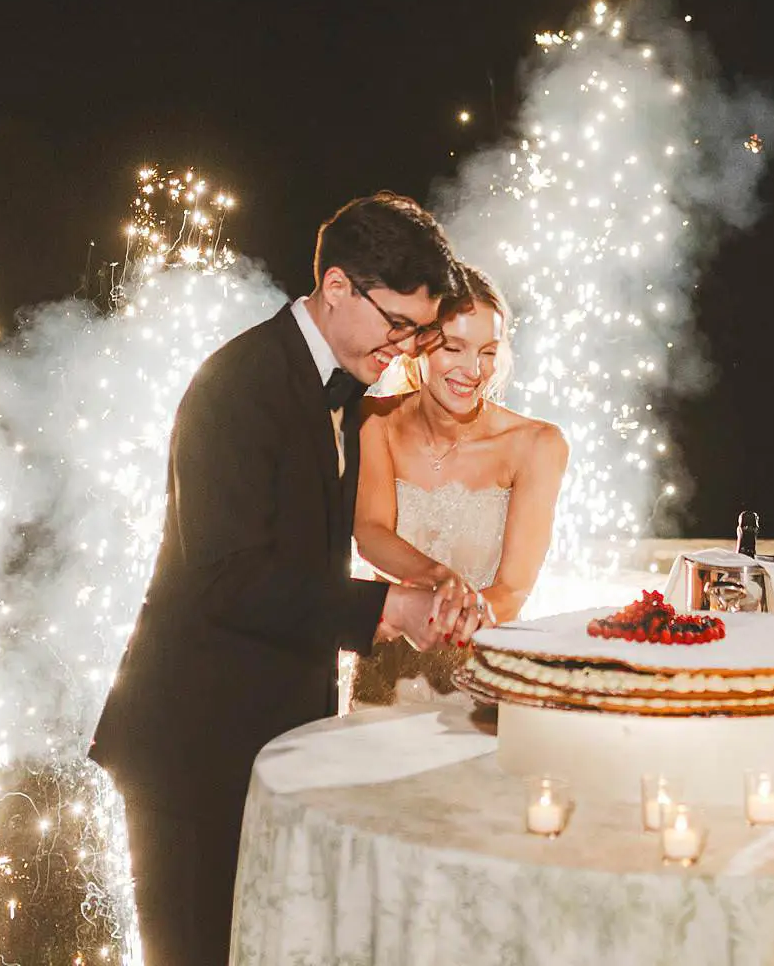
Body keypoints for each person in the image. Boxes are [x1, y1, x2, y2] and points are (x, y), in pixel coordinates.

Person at [88, 192, 484, 965]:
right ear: (336, 287)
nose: (405, 348)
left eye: (418, 331)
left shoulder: (341, 391)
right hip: (194, 745)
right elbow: (227, 579)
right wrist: (385, 606)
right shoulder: (237, 385)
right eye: (397, 324)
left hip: (272, 732)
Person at [351, 265, 570, 704]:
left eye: (488, 352)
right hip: (383, 679)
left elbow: (512, 588)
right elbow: (370, 533)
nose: (474, 370)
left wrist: (452, 619)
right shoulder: (372, 420)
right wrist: (439, 578)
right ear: (419, 345)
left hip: (479, 684)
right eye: (454, 347)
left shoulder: (537, 444)